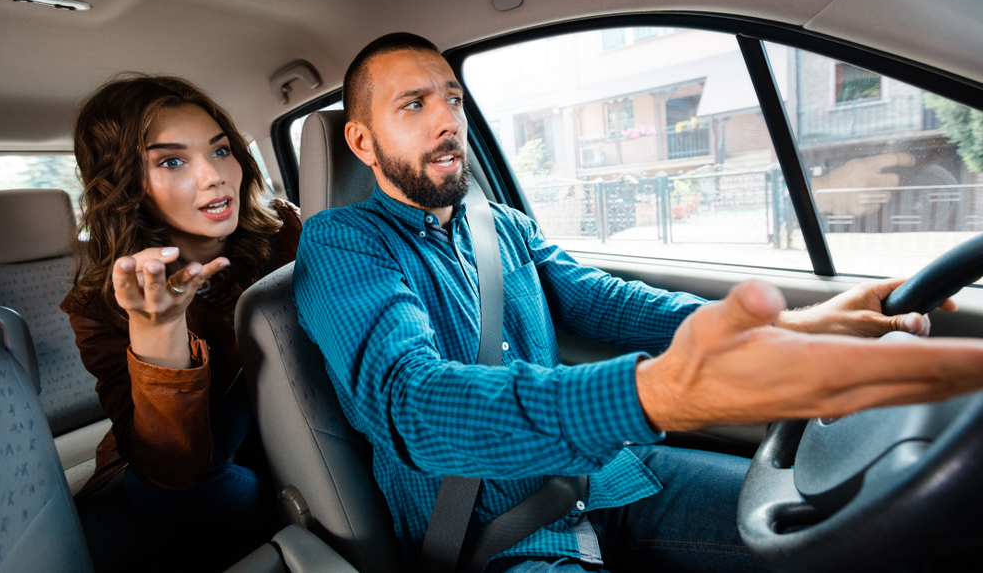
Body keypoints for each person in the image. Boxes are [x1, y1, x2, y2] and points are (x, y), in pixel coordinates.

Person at [292, 33, 983, 573]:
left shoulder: (497, 222)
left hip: (612, 477)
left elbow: (606, 301)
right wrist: (652, 394)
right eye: (414, 105)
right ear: (362, 141)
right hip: (501, 539)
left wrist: (793, 324)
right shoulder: (343, 244)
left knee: (853, 538)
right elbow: (413, 403)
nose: (447, 120)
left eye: (453, 99)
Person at [61, 75, 300, 568]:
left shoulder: (286, 230)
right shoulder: (98, 305)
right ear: (126, 185)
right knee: (160, 492)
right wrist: (159, 335)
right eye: (171, 161)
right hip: (202, 441)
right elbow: (172, 472)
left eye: (220, 150)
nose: (214, 176)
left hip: (292, 401)